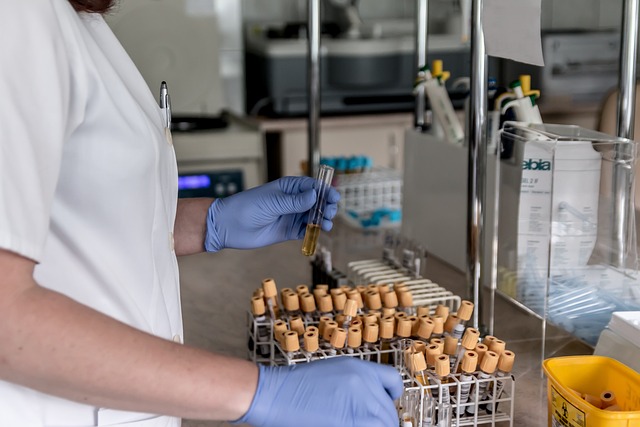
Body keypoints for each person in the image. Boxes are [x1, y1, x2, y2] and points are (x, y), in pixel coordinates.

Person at [0, 1, 403, 426]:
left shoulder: (79, 22)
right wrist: (260, 392)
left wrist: (209, 222)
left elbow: (74, 221)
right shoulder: (18, 15)